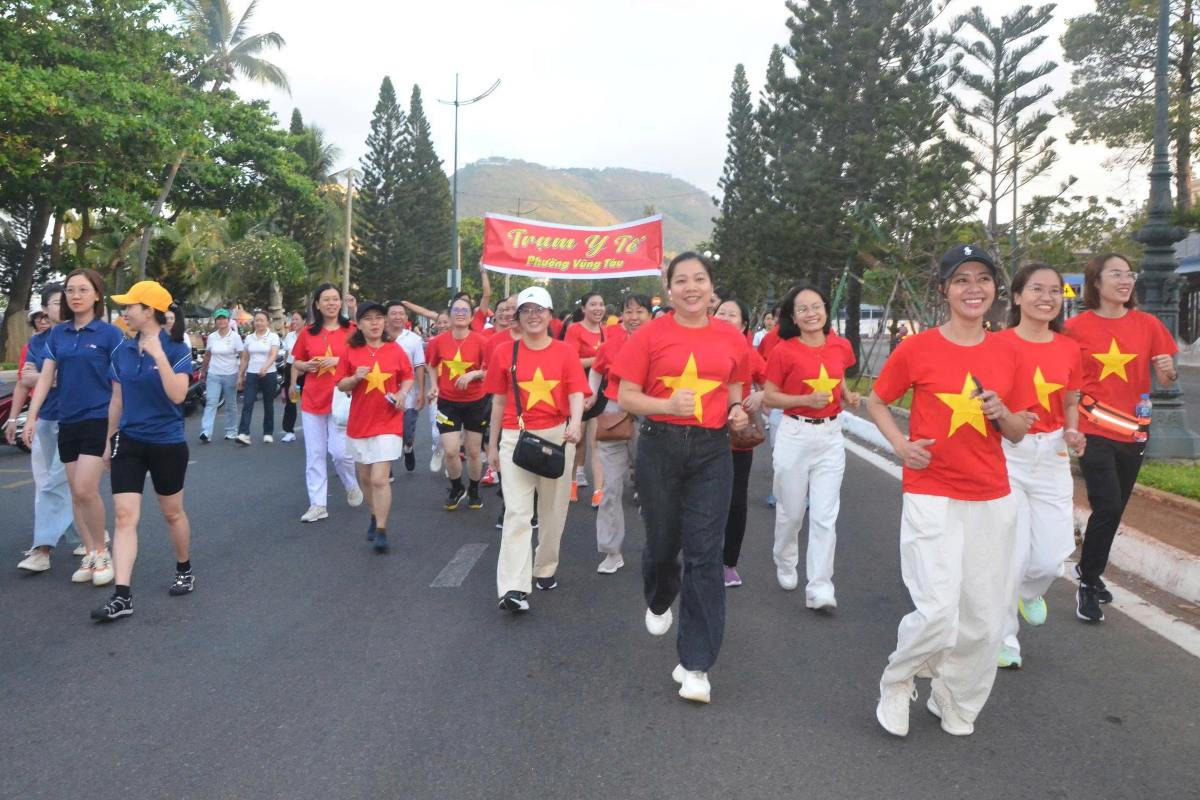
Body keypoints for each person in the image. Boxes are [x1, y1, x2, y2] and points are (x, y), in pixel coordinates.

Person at [866, 245, 1034, 738]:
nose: (974, 288)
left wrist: (1002, 412)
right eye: (962, 280)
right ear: (944, 291)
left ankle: (955, 696)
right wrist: (901, 445)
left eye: (983, 278)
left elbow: (1021, 429)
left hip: (991, 496)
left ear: (995, 291)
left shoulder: (1008, 350)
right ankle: (897, 684)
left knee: (982, 619)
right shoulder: (916, 348)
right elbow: (876, 401)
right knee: (939, 609)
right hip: (931, 490)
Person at [611, 252, 750, 705]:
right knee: (663, 543)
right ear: (669, 289)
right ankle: (659, 593)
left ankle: (696, 665)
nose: (692, 287)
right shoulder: (650, 335)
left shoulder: (732, 337)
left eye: (700, 279)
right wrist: (666, 406)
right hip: (660, 446)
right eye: (682, 280)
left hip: (712, 451)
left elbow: (736, 386)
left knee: (705, 554)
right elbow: (627, 395)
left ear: (712, 287)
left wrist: (734, 410)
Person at [1065, 253, 1178, 623]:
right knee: (1108, 505)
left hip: (1134, 430)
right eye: (1116, 274)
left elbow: (1166, 378)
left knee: (1113, 511)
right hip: (1093, 429)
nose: (1126, 280)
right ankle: (1088, 581)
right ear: (1096, 282)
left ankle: (1091, 572)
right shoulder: (1075, 328)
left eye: (1129, 274)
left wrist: (1167, 371)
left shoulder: (1148, 324)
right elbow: (1063, 379)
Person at [996, 263, 1084, 667]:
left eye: (1054, 291)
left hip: (1052, 455)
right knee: (1011, 552)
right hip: (1008, 453)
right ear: (1017, 296)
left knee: (1052, 557)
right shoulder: (997, 344)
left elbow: (1071, 398)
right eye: (1036, 289)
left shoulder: (1068, 347)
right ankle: (1004, 640)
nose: (1046, 297)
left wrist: (1072, 431)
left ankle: (1028, 593)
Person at [91, 282, 195, 622]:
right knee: (123, 516)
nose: (124, 312)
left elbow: (178, 394)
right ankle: (122, 596)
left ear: (149, 310)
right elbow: (117, 400)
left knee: (171, 513)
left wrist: (159, 355)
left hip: (167, 442)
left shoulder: (177, 347)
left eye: (130, 306)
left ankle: (184, 568)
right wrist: (108, 441)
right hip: (130, 442)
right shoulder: (121, 350)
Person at [484, 287, 588, 611]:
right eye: (526, 310)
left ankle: (545, 567)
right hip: (517, 438)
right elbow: (498, 400)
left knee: (553, 512)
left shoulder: (565, 352)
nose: (533, 315)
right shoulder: (504, 353)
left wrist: (575, 423)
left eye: (539, 310)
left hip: (558, 437)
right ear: (517, 317)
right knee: (517, 512)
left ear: (550, 316)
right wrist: (492, 444)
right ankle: (514, 588)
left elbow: (576, 392)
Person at [22, 269, 123, 586]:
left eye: (82, 289)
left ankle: (104, 553)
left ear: (96, 295)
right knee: (76, 495)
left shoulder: (110, 335)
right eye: (70, 290)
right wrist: (30, 416)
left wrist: (110, 435)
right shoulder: (58, 334)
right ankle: (91, 552)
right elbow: (45, 379)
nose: (75, 295)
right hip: (68, 419)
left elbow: (119, 389)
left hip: (97, 419)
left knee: (85, 489)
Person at [763, 285, 859, 606]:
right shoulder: (783, 351)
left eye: (816, 306)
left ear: (826, 309)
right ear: (793, 316)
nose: (811, 313)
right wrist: (805, 398)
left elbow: (838, 378)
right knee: (791, 513)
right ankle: (785, 558)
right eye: (802, 309)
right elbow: (770, 395)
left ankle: (820, 587)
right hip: (794, 434)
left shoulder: (840, 345)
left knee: (824, 516)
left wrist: (847, 395)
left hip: (830, 436)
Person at [10, 284, 84, 573]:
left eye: (63, 300)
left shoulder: (78, 336)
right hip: (46, 417)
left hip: (75, 419)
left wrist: (42, 377)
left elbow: (68, 379)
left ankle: (42, 549)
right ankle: (86, 534)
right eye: (55, 302)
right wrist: (20, 418)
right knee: (58, 483)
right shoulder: (39, 342)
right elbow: (26, 379)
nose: (61, 305)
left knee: (56, 482)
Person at [336, 302, 414, 553]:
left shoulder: (395, 349)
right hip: (360, 422)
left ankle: (381, 529)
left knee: (380, 478)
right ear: (359, 324)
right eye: (368, 318)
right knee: (365, 477)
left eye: (379, 318)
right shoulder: (351, 351)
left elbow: (408, 376)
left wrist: (402, 393)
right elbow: (341, 385)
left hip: (388, 421)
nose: (375, 323)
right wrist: (356, 377)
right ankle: (373, 513)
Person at [589, 293, 653, 574]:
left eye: (640, 311)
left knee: (653, 485)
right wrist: (591, 395)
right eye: (629, 311)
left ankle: (658, 548)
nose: (634, 317)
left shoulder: (659, 344)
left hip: (650, 414)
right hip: (615, 414)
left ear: (650, 316)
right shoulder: (611, 345)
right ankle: (611, 551)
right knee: (611, 487)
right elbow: (596, 369)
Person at [289, 283, 363, 522]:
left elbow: (361, 359)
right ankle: (318, 504)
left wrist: (336, 361)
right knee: (315, 454)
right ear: (317, 305)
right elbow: (296, 362)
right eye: (326, 300)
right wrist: (306, 366)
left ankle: (351, 483)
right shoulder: (307, 332)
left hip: (342, 399)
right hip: (313, 399)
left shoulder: (352, 330)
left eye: (334, 299)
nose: (331, 303)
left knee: (340, 453)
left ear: (340, 303)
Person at [713, 298, 767, 588]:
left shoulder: (749, 353)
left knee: (735, 501)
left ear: (744, 325)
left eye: (731, 314)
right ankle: (702, 558)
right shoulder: (700, 348)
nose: (724, 317)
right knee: (701, 500)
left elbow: (773, 382)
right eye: (720, 312)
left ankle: (728, 563)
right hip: (701, 437)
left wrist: (760, 396)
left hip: (736, 440)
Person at [425, 294, 489, 511]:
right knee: (451, 450)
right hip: (447, 402)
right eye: (456, 310)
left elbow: (489, 371)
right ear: (449, 316)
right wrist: (433, 385)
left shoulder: (481, 341)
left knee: (472, 451)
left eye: (465, 311)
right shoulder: (437, 342)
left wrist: (473, 375)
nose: (460, 314)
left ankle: (473, 489)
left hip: (475, 401)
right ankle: (456, 487)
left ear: (471, 317)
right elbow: (432, 365)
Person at [564, 291, 608, 506]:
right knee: (577, 438)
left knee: (597, 441)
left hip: (600, 391)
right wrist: (599, 358)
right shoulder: (574, 330)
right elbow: (571, 362)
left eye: (601, 304)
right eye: (593, 304)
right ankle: (571, 481)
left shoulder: (606, 332)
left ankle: (598, 491)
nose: (598, 308)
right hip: (577, 391)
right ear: (583, 309)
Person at [385, 301, 427, 473]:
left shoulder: (413, 339)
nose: (397, 316)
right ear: (386, 317)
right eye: (393, 313)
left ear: (406, 317)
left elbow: (419, 366)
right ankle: (386, 468)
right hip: (384, 393)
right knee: (385, 433)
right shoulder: (378, 337)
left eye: (400, 313)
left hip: (407, 393)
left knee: (407, 432)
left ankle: (408, 447)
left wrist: (421, 392)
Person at [236, 310, 281, 445]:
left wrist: (265, 368)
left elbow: (273, 355)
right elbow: (245, 358)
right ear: (253, 322)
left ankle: (268, 433)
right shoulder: (249, 338)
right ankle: (244, 433)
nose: (259, 322)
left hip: (269, 374)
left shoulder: (273, 336)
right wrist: (240, 375)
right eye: (257, 320)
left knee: (268, 404)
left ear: (267, 322)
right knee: (247, 403)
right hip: (252, 374)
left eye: (262, 320)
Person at [198, 308, 243, 443]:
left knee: (231, 404)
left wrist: (241, 374)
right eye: (219, 319)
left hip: (231, 374)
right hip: (214, 374)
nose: (221, 321)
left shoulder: (235, 337)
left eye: (224, 318)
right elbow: (207, 356)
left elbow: (242, 355)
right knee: (211, 402)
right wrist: (203, 372)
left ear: (228, 320)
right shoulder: (212, 337)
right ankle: (206, 432)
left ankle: (231, 431)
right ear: (216, 321)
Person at [426, 310, 452, 471]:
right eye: (439, 322)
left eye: (445, 322)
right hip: (438, 392)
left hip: (458, 394)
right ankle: (437, 450)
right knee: (437, 432)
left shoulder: (462, 341)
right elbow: (430, 366)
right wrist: (434, 386)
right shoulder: (433, 343)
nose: (442, 325)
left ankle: (452, 464)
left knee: (454, 433)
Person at [279, 310, 305, 443]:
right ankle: (289, 431)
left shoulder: (308, 335)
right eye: (292, 319)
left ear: (304, 321)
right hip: (290, 368)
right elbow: (286, 355)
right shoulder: (289, 336)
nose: (294, 322)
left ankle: (313, 431)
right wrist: (285, 375)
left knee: (308, 402)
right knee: (291, 401)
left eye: (297, 319)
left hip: (305, 370)